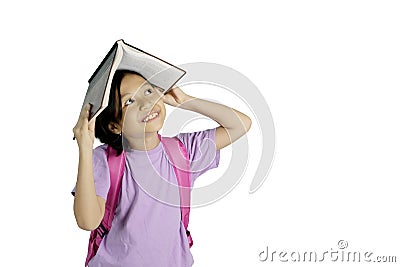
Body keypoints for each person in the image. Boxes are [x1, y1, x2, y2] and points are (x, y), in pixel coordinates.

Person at [72, 69, 252, 266]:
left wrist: (185, 101)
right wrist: (85, 147)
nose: (146, 103)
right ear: (115, 126)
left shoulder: (183, 151)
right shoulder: (104, 160)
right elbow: (87, 221)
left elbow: (241, 124)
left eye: (148, 91)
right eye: (129, 101)